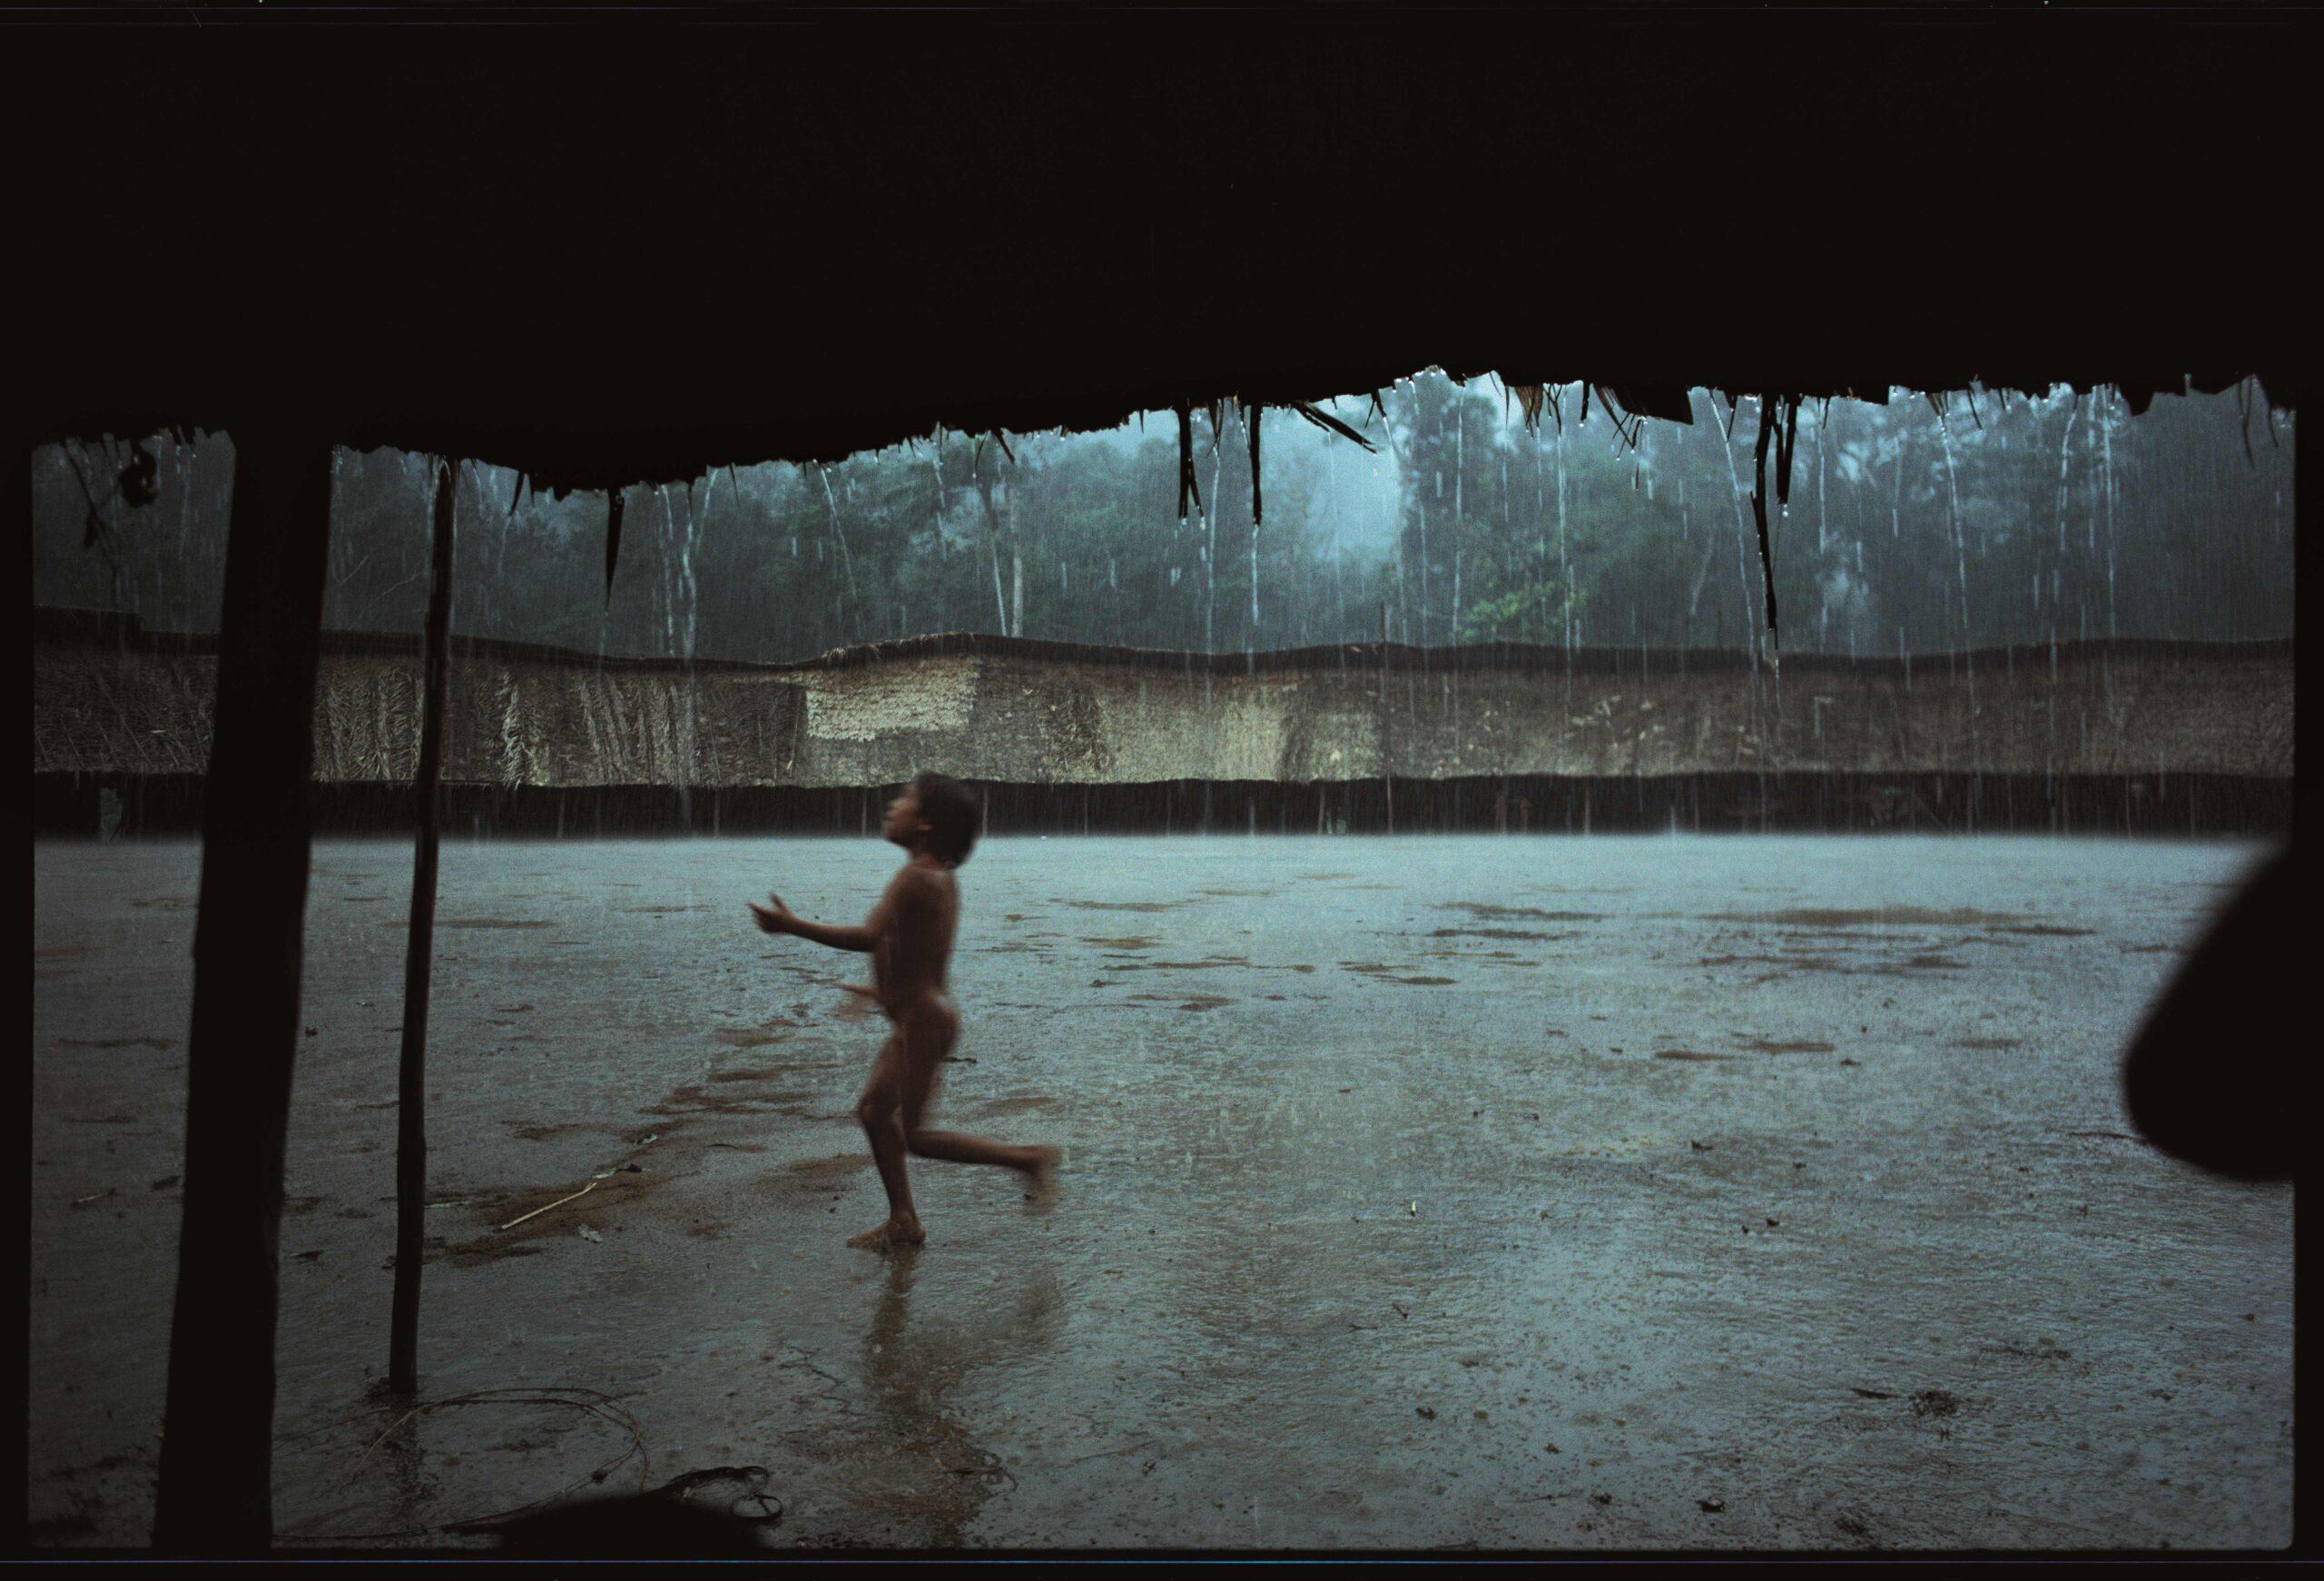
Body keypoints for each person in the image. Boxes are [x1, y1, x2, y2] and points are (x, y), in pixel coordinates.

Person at [749, 772, 1059, 1250]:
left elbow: (869, 937)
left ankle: (1025, 1158)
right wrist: (878, 992)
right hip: (923, 1016)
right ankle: (903, 1221)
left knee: (914, 1135)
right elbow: (913, 954)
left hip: (923, 1022)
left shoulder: (915, 877)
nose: (892, 807)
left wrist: (791, 926)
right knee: (874, 1112)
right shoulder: (940, 879)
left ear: (926, 826)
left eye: (904, 801)